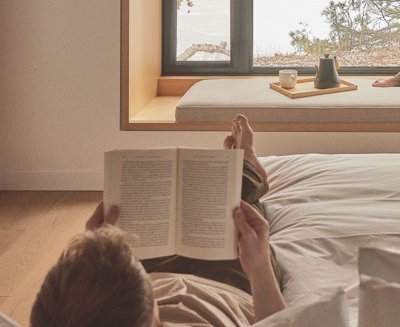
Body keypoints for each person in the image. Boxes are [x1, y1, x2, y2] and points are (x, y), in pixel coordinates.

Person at [30, 115, 286, 327]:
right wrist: (260, 266)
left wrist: (98, 253)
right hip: (228, 286)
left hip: (132, 286)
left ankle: (245, 168)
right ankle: (250, 166)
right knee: (237, 213)